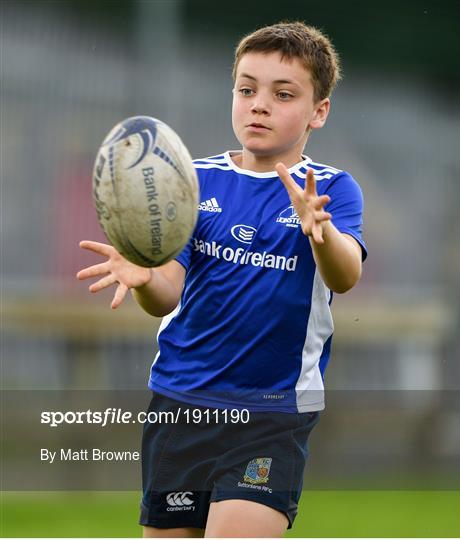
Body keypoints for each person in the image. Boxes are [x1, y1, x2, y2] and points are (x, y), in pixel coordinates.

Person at [77, 21, 367, 538]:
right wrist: (146, 276)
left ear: (318, 111)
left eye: (282, 94)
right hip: (181, 401)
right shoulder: (189, 181)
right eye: (246, 89)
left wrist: (318, 232)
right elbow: (168, 292)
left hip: (271, 413)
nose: (259, 105)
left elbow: (345, 276)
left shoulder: (330, 190)